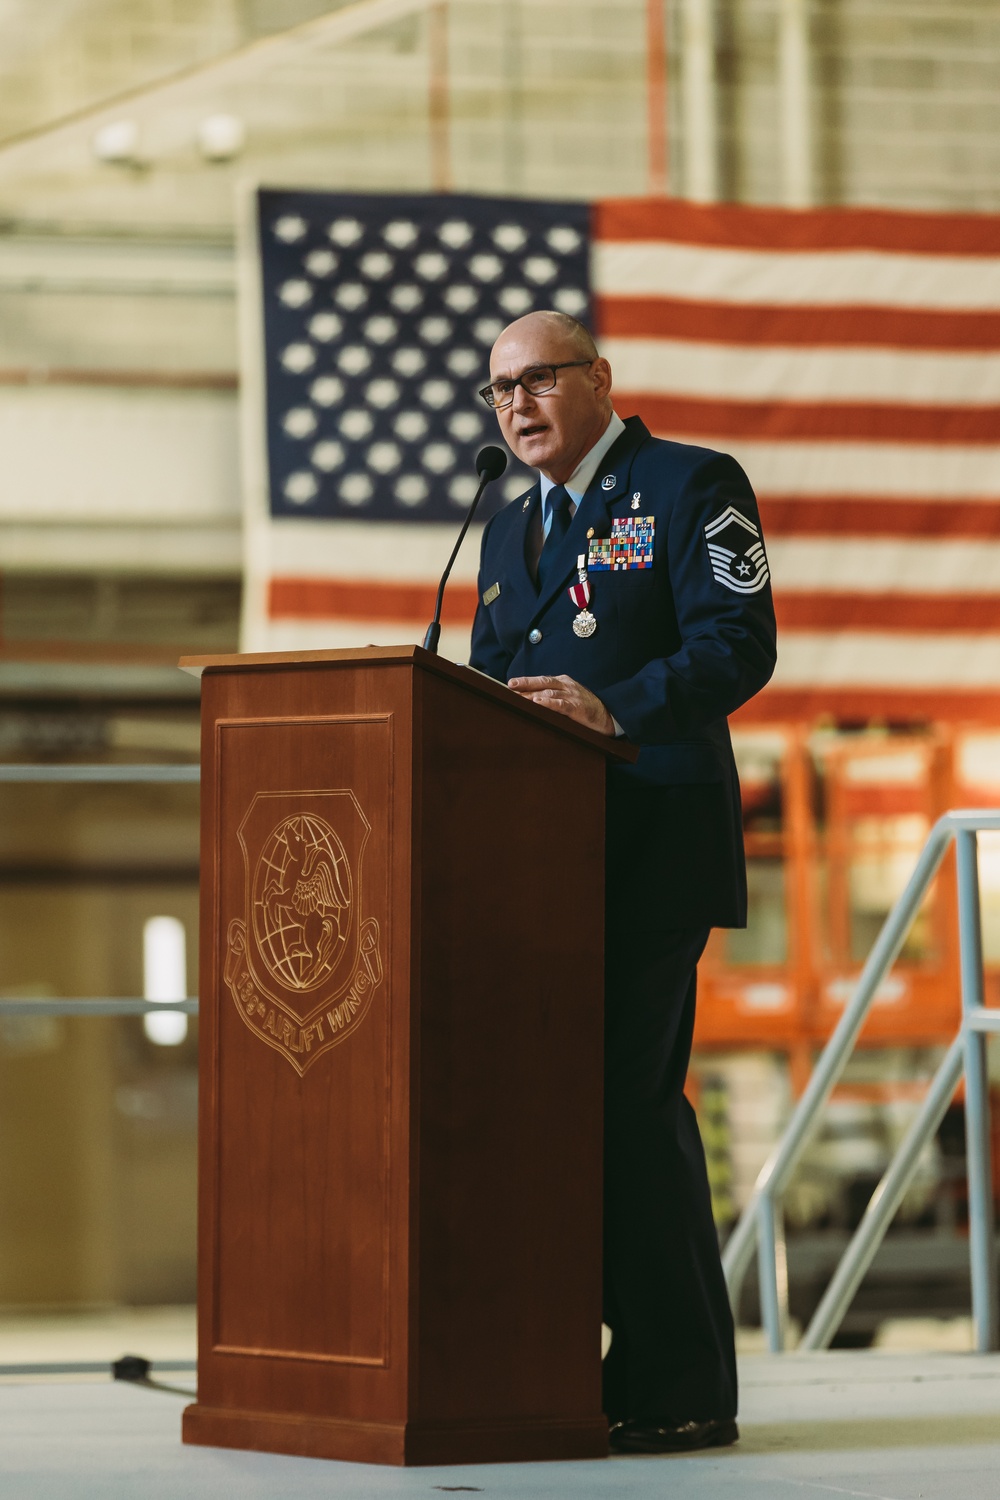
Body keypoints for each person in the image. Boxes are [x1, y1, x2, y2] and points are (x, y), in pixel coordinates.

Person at [469, 310, 777, 1454]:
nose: (516, 405)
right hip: (533, 866)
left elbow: (737, 642)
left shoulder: (690, 484)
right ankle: (578, 1365)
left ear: (597, 379)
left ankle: (681, 1382)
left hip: (650, 843)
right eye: (499, 390)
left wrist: (618, 710)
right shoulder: (506, 530)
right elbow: (482, 689)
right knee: (558, 1111)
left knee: (625, 1105)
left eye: (538, 379)